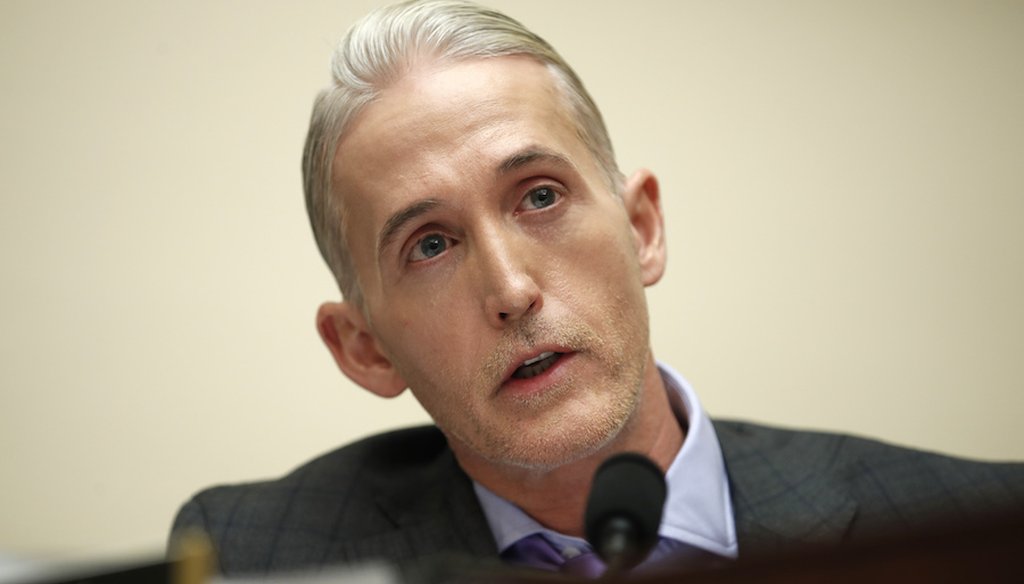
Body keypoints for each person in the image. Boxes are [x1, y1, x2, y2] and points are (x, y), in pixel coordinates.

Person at [171, 0, 1024, 579]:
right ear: (363, 349)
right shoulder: (259, 555)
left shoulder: (977, 526)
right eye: (429, 245)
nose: (510, 290)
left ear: (642, 227)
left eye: (540, 196)